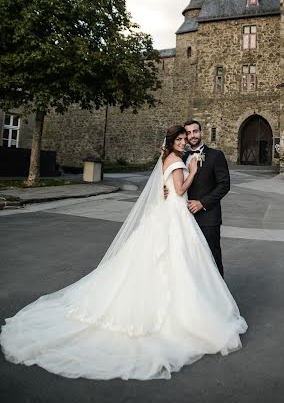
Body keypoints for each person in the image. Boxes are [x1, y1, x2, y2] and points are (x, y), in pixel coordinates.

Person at [0, 125, 247, 381]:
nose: (187, 140)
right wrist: (190, 173)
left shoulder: (201, 156)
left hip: (193, 215)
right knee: (177, 262)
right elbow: (180, 188)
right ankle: (185, 312)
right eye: (183, 137)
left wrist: (178, 188)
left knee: (198, 262)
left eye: (189, 136)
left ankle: (210, 304)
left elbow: (216, 185)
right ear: (174, 141)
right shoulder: (179, 159)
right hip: (176, 215)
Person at [184, 119, 230, 277]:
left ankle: (220, 298)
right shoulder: (182, 158)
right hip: (184, 218)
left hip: (208, 218)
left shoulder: (216, 156)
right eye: (188, 133)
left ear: (201, 132)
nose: (192, 135)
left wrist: (202, 203)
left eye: (195, 131)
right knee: (191, 261)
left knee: (212, 258)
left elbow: (224, 185)